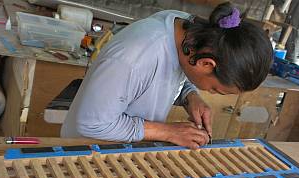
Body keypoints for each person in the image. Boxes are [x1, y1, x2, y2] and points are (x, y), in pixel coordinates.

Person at [61, 2, 273, 149]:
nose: (210, 92)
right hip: (86, 150)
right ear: (206, 63)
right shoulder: (133, 56)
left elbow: (166, 74)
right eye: (214, 89)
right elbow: (92, 124)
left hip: (123, 149)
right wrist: (168, 132)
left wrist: (191, 96)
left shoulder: (186, 32)